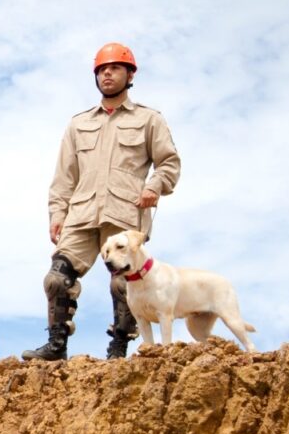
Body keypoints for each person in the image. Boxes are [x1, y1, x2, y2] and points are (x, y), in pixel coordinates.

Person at [22, 43, 181, 362]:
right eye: (101, 70)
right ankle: (56, 346)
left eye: (114, 68)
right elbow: (64, 176)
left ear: (130, 74)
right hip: (80, 215)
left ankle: (119, 346)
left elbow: (169, 163)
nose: (107, 74)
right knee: (57, 277)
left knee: (123, 282)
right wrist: (57, 213)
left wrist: (154, 185)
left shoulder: (149, 119)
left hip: (125, 213)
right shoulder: (78, 124)